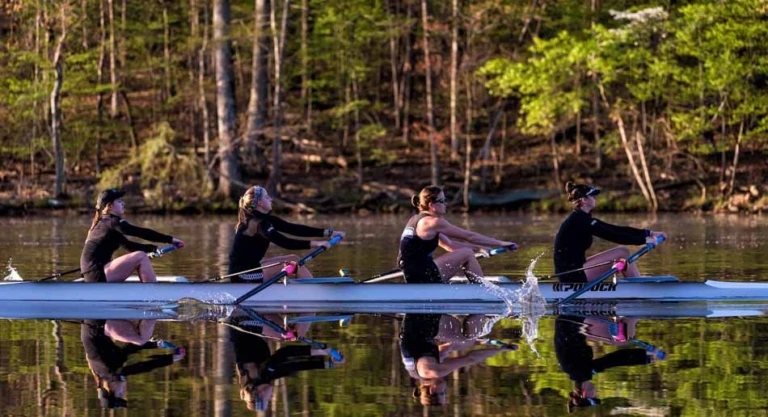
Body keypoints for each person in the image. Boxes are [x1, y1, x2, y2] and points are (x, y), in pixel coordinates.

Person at [226, 309, 344, 412]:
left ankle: (309, 307)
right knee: (291, 333)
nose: (271, 396)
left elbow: (286, 353)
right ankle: (308, 308)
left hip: (241, 321)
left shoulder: (262, 372)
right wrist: (326, 363)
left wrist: (321, 351)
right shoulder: (265, 376)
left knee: (292, 334)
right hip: (247, 323)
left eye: (268, 399)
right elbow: (292, 367)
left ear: (260, 393)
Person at [553, 182, 667, 283]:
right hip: (571, 275)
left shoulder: (582, 218)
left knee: (622, 252)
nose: (595, 198)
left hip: (576, 269)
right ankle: (637, 287)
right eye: (592, 196)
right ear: (584, 200)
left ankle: (635, 282)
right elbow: (614, 236)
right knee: (622, 252)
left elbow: (616, 229)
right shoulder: (580, 220)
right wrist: (644, 240)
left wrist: (649, 233)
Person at [398, 186, 515, 283]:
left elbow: (450, 245)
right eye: (442, 201)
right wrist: (500, 243)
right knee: (467, 253)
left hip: (413, 272)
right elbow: (469, 236)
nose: (445, 204)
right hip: (421, 275)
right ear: (431, 205)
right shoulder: (433, 222)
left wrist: (479, 248)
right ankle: (483, 291)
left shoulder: (416, 220)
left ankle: (479, 287)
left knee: (466, 251)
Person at [228, 185, 345, 283]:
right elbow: (285, 242)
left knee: (293, 258)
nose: (271, 199)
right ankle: (312, 292)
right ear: (260, 203)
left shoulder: (266, 220)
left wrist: (329, 232)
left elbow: (293, 229)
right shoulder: (256, 223)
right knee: (293, 262)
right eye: (267, 197)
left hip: (251, 268)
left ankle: (308, 287)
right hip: (243, 275)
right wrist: (317, 244)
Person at [554, 314, 664, 413]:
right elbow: (615, 360)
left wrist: (646, 357)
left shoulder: (580, 371)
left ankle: (634, 310)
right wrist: (644, 357)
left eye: (594, 396)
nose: (596, 393)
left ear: (584, 394)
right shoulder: (577, 372)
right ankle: (627, 314)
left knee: (624, 337)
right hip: (569, 322)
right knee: (620, 336)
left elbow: (615, 359)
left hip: (572, 320)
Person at [399, 313, 514, 407]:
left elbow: (470, 358)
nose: (445, 389)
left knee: (470, 337)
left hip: (423, 320)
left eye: (443, 393)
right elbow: (450, 347)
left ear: (432, 390)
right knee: (467, 340)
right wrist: (481, 342)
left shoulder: (435, 372)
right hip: (415, 323)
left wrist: (501, 350)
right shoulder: (417, 372)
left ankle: (480, 309)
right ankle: (480, 312)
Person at [80, 189, 184, 283]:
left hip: (92, 273)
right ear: (110, 206)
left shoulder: (103, 224)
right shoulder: (112, 222)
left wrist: (153, 248)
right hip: (97, 274)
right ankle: (153, 293)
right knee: (141, 257)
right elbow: (139, 232)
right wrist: (170, 239)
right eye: (119, 201)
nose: (123, 203)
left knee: (140, 255)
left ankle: (148, 289)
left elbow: (129, 246)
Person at [81, 319, 185, 409]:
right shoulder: (104, 371)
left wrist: (171, 359)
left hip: (98, 323)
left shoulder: (113, 374)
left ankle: (152, 313)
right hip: (95, 324)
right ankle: (147, 314)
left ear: (110, 389)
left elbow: (143, 366)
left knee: (141, 339)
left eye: (120, 393)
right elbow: (129, 349)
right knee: (140, 336)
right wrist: (156, 344)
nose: (124, 390)